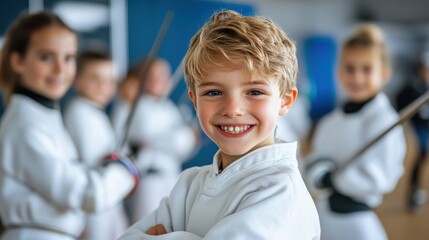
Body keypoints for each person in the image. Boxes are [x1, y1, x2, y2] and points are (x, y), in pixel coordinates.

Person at [118, 10, 320, 239]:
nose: (232, 109)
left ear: (285, 101)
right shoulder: (190, 184)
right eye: (213, 92)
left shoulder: (280, 190)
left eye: (255, 92)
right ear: (194, 99)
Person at [0, 11, 139, 240]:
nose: (60, 70)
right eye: (46, 57)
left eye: (68, 58)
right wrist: (125, 170)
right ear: (18, 61)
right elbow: (87, 195)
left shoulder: (42, 118)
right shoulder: (26, 125)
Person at [305, 24, 406, 240]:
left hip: (357, 221)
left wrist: (338, 180)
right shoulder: (330, 121)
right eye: (350, 68)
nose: (357, 77)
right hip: (323, 215)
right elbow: (316, 160)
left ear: (385, 74)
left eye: (367, 69)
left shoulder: (385, 121)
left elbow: (382, 178)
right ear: (339, 72)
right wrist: (313, 171)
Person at [112, 58, 197, 222]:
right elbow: (164, 140)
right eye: (154, 76)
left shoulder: (169, 108)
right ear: (142, 79)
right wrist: (185, 135)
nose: (161, 81)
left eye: (164, 76)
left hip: (173, 179)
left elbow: (185, 149)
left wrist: (186, 137)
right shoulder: (133, 106)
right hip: (149, 181)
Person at [63, 50, 129, 239]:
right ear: (77, 79)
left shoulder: (94, 112)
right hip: (94, 203)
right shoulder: (80, 113)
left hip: (106, 201)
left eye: (110, 80)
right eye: (95, 78)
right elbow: (98, 163)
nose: (104, 86)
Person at [396, 50, 429, 211]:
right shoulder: (413, 87)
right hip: (419, 128)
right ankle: (413, 192)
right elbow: (402, 103)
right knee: (422, 153)